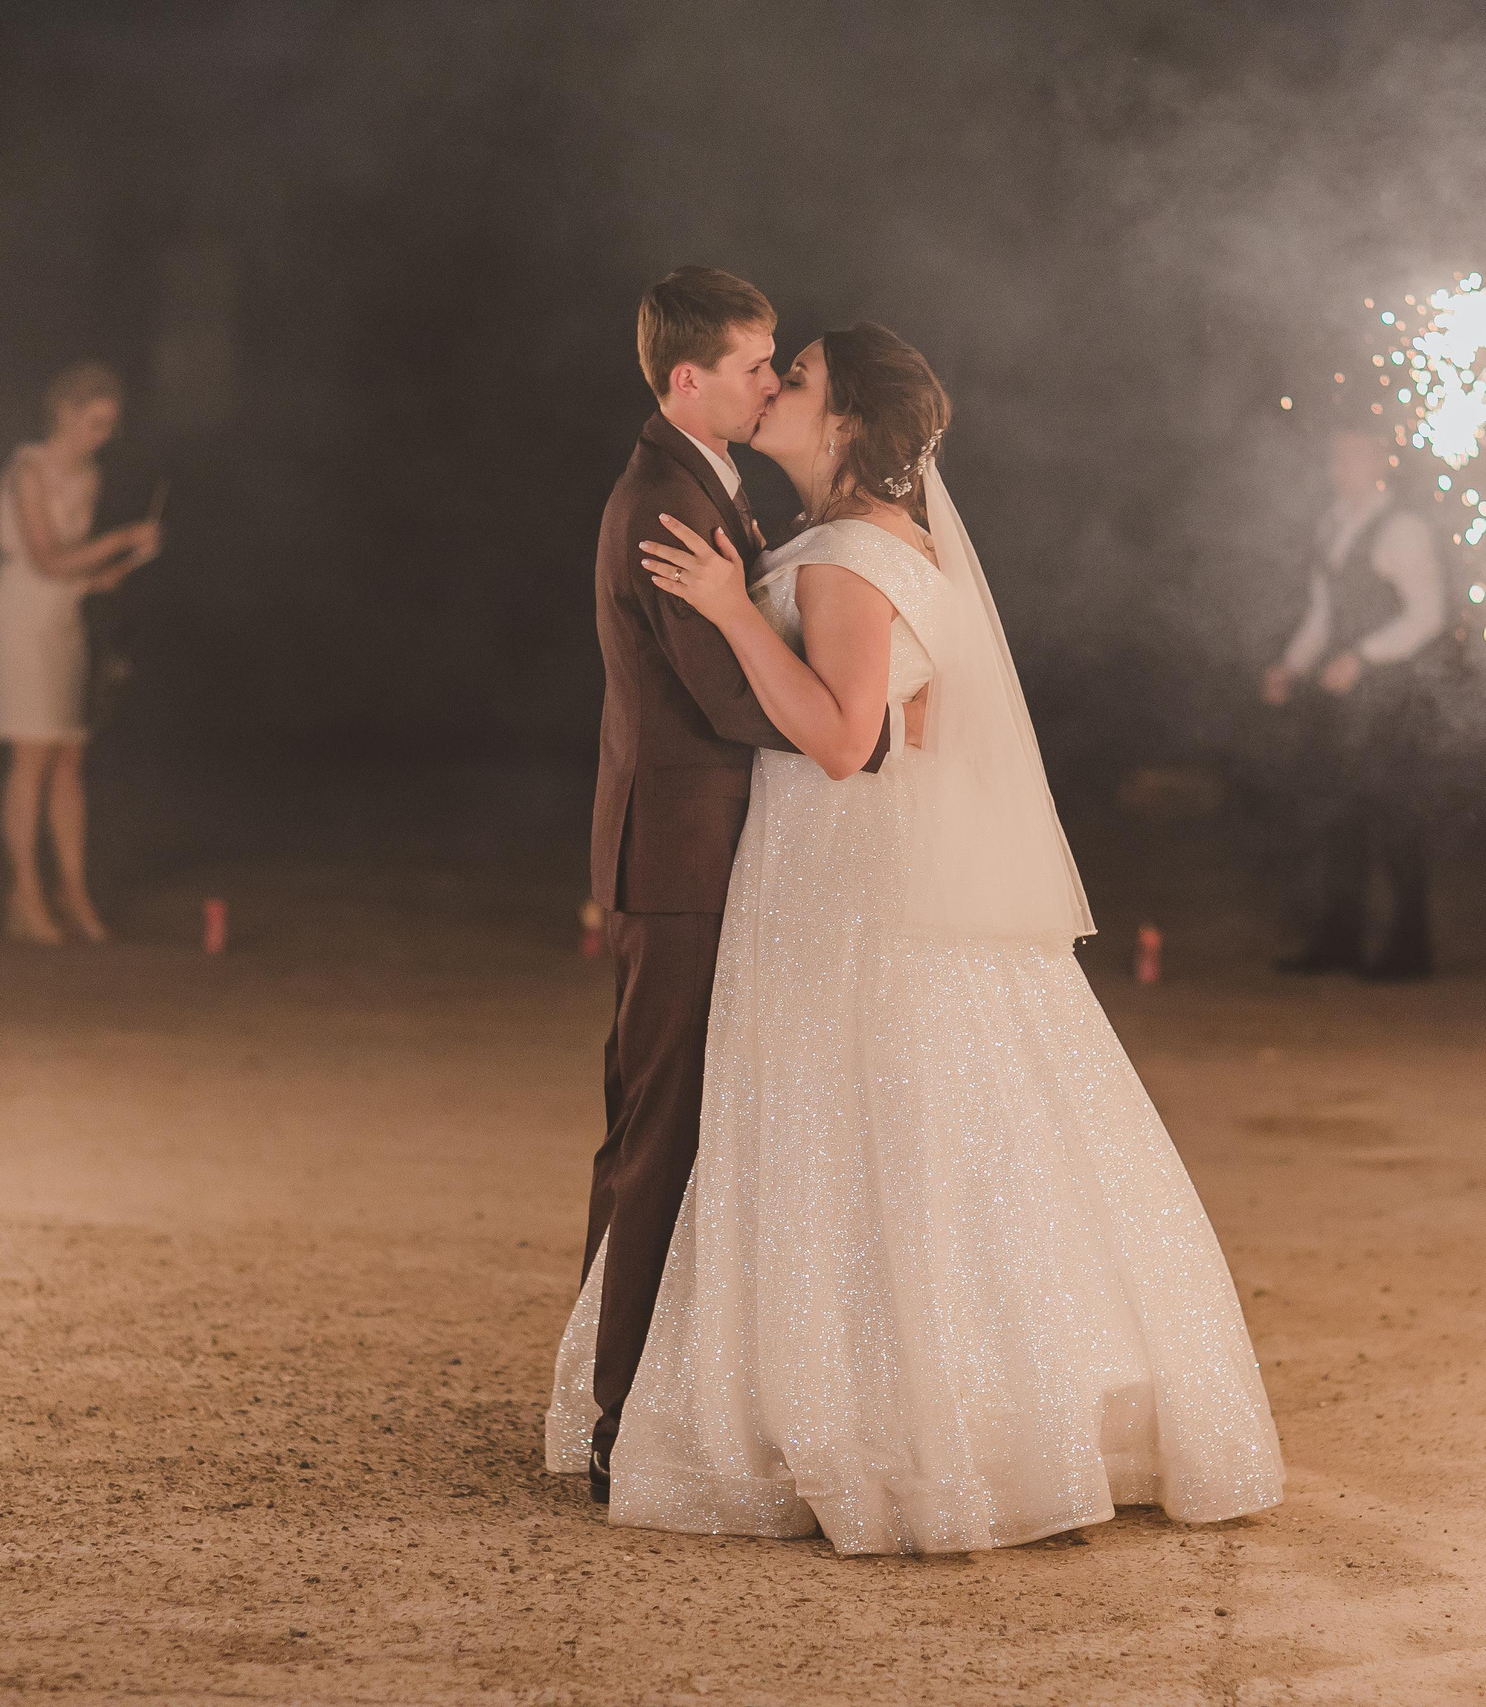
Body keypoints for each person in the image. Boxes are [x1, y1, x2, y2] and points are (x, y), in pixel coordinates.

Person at [546, 323, 1283, 1554]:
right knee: (932, 1130)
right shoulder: (879, 543)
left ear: (845, 424)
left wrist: (732, 610)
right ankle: (996, 1397)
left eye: (803, 376)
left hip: (839, 880)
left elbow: (841, 742)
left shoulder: (838, 557)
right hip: (858, 875)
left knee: (856, 1129)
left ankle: (889, 1413)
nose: (776, 385)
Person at [568, 267, 890, 1509]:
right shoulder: (664, 498)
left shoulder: (709, 482)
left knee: (683, 1123)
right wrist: (848, 734)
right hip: (683, 857)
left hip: (711, 852)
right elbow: (716, 695)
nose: (772, 381)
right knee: (660, 1128)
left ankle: (648, 1392)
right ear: (686, 379)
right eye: (757, 364)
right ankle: (615, 1416)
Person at [1261, 420, 1447, 980]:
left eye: (1352, 459)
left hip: (1393, 695)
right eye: (1334, 460)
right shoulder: (1332, 525)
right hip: (1344, 698)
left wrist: (1364, 656)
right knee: (1338, 817)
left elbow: (1428, 614)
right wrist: (1291, 666)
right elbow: (1323, 615)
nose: (1339, 470)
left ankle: (1410, 951)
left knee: (1395, 819)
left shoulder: (1404, 530)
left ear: (1380, 462)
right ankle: (1338, 940)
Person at [0, 361, 159, 946]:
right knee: (31, 752)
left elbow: (75, 570)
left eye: (110, 426)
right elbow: (45, 558)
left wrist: (117, 568)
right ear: (64, 413)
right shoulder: (27, 469)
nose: (101, 436)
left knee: (69, 757)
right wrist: (118, 540)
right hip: (20, 615)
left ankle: (74, 890)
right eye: (93, 422)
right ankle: (25, 893)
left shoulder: (90, 475)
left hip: (61, 616)